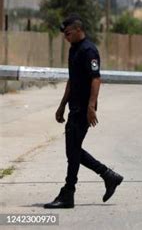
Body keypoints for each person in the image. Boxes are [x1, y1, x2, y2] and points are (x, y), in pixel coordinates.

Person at [44, 14, 123, 209]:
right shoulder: (74, 50)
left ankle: (68, 193)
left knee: (73, 152)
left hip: (84, 109)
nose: (66, 37)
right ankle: (107, 176)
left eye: (68, 33)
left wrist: (91, 107)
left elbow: (96, 79)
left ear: (79, 30)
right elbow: (72, 80)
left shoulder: (89, 51)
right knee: (74, 150)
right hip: (75, 107)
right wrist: (62, 104)